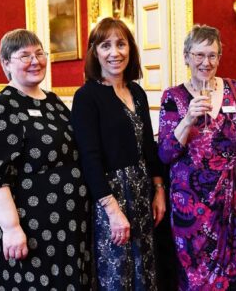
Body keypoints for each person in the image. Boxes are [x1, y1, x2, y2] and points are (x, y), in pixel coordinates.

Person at [0, 29, 91, 290]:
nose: (35, 61)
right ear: (6, 63)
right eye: (24, 56)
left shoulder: (53, 102)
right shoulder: (1, 110)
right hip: (32, 227)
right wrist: (12, 228)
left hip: (70, 223)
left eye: (39, 53)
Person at [158, 24, 236, 290]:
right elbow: (165, 153)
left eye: (212, 55)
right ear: (187, 56)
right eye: (199, 55)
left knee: (231, 273)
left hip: (229, 203)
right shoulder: (173, 97)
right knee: (195, 278)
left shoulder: (233, 90)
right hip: (191, 207)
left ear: (220, 57)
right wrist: (188, 118)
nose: (206, 62)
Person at [71, 17, 166, 290]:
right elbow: (89, 158)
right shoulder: (86, 97)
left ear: (131, 49)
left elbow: (149, 147)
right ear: (95, 52)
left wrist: (159, 189)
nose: (115, 52)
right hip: (110, 195)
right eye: (106, 45)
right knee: (117, 271)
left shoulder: (137, 92)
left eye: (121, 44)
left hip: (142, 191)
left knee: (145, 266)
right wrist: (112, 211)